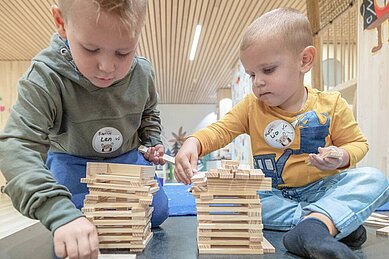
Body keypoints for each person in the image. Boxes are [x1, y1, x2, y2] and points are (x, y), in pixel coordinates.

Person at [174, 7, 389, 259]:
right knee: (242, 203)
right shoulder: (251, 107)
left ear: (305, 60)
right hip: (273, 195)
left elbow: (357, 144)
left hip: (322, 188)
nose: (257, 82)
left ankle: (322, 222)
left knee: (375, 179)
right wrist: (193, 142)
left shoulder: (332, 104)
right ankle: (324, 222)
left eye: (267, 70)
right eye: (252, 74)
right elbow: (220, 130)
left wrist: (342, 155)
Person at [0, 0, 169, 258]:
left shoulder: (143, 72)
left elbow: (149, 113)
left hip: (125, 159)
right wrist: (59, 212)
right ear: (61, 23)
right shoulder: (46, 75)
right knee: (76, 215)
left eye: (123, 53)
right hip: (72, 159)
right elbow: (16, 146)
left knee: (157, 211)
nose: (107, 67)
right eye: (90, 48)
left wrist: (152, 139)